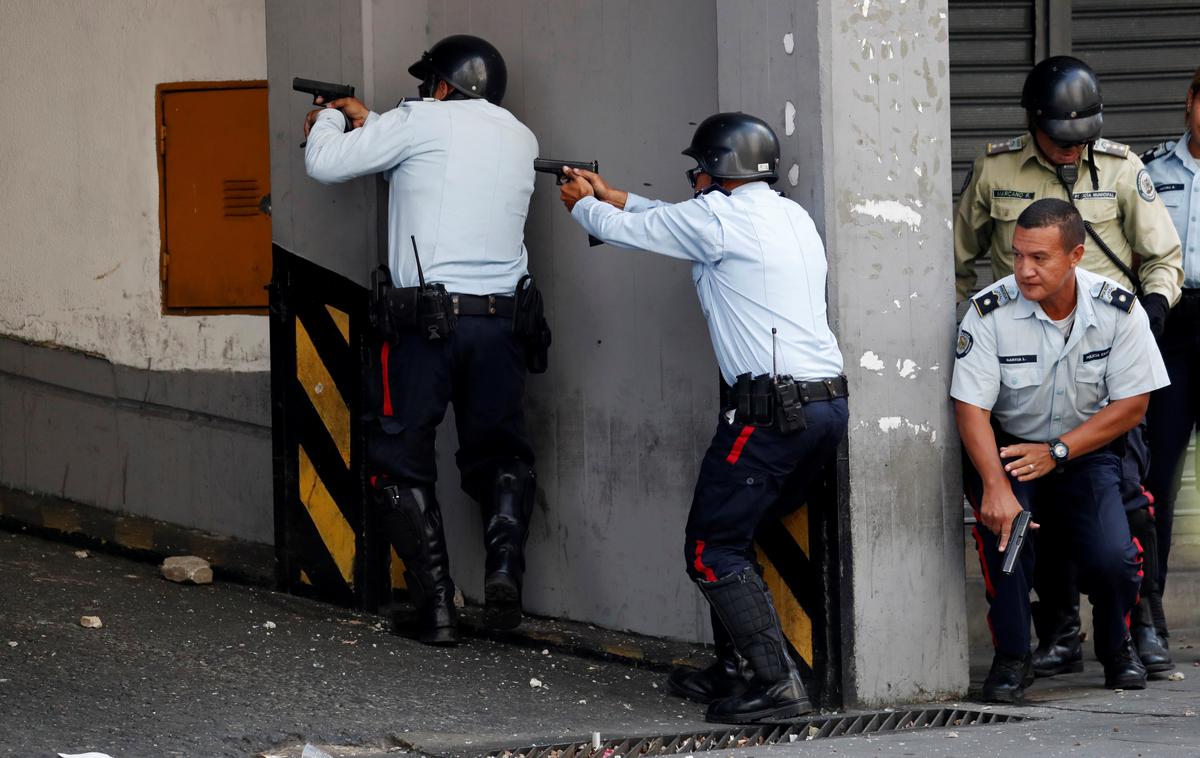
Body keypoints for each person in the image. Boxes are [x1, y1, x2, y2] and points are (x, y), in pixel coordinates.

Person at [557, 113, 848, 724]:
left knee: (711, 547)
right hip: (822, 408)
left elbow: (646, 230)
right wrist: (617, 194)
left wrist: (586, 206)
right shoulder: (789, 216)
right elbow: (672, 222)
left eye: (698, 170)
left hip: (768, 414)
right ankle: (736, 670)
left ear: (718, 170)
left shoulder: (718, 219)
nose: (693, 181)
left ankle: (776, 687)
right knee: (737, 535)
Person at [303, 34, 543, 644]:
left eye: (427, 83)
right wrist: (377, 121)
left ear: (444, 85)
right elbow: (445, 164)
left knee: (397, 458)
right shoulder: (520, 137)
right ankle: (504, 572)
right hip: (503, 324)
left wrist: (333, 115)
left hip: (426, 329)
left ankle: (437, 606)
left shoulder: (420, 121)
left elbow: (325, 162)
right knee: (501, 455)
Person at [953, 55, 1184, 676]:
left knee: (1131, 501)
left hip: (1105, 361)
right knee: (1042, 509)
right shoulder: (995, 167)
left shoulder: (1121, 166)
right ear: (1033, 123)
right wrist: (971, 332)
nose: (1071, 151)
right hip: (1023, 356)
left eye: (1081, 139)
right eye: (1061, 139)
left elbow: (1163, 254)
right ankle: (1058, 629)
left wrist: (1154, 308)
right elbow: (958, 257)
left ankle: (1142, 625)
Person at [953, 198, 1169, 702]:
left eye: (1039, 258)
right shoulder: (990, 311)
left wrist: (1058, 451)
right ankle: (1012, 658)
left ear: (1075, 255)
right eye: (1017, 255)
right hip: (1009, 454)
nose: (1023, 270)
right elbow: (971, 408)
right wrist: (994, 487)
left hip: (1086, 448)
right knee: (1009, 540)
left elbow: (1133, 405)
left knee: (1114, 556)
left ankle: (1117, 648)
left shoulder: (1119, 309)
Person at [1140, 65, 1200, 651]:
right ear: (1191, 102)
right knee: (1158, 473)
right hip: (1173, 328)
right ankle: (1148, 618)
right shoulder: (1151, 170)